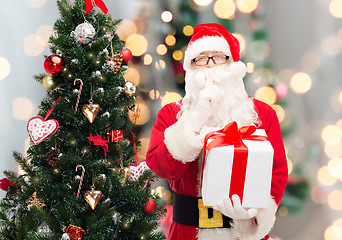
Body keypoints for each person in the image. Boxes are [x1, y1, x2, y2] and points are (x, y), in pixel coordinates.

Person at [146, 23, 288, 240]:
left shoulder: (262, 114)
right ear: (191, 67)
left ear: (232, 63)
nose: (211, 65)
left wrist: (250, 219)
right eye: (201, 58)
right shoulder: (171, 114)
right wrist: (195, 118)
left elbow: (276, 175)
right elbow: (163, 168)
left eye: (219, 57)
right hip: (187, 232)